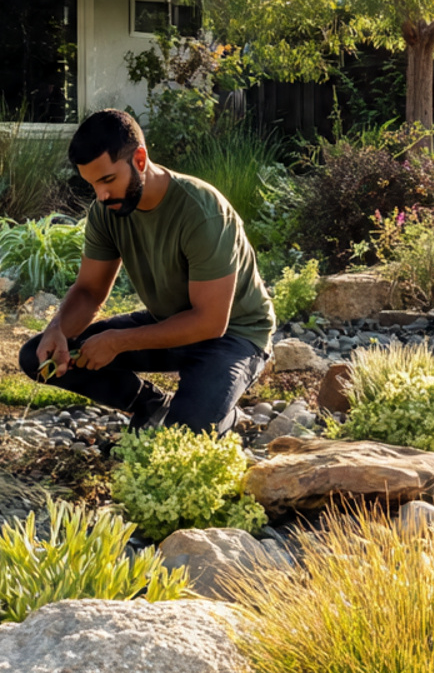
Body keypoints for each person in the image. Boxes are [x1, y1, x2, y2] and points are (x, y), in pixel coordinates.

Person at [18, 108, 274, 434]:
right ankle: (151, 405)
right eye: (92, 184)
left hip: (233, 335)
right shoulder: (106, 210)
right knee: (37, 358)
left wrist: (118, 342)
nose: (101, 195)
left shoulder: (202, 212)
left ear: (140, 159)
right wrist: (58, 329)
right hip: (168, 323)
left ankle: (225, 417)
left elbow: (210, 321)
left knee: (186, 431)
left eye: (108, 180)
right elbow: (89, 291)